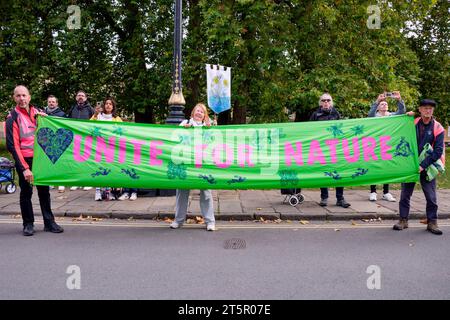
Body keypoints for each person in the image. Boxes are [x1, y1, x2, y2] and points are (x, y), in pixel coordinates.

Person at [5, 85, 64, 236]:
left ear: (29, 97)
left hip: (40, 159)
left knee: (44, 191)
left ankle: (49, 222)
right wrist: (25, 168)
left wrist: (47, 120)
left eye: (24, 95)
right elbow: (13, 146)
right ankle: (28, 223)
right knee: (26, 192)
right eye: (18, 96)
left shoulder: (39, 113)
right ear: (14, 98)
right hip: (25, 160)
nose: (21, 98)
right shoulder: (12, 118)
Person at [394, 99, 445, 235]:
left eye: (430, 108)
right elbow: (399, 129)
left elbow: (438, 151)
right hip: (411, 165)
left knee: (431, 196)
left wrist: (422, 165)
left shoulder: (438, 128)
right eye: (425, 108)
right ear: (420, 109)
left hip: (428, 166)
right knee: (405, 194)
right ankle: (403, 220)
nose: (428, 110)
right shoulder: (413, 122)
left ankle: (432, 222)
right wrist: (406, 117)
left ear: (433, 111)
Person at [170, 103, 216, 231]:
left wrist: (211, 129)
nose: (199, 112)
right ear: (192, 113)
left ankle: (210, 222)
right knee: (182, 192)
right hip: (186, 163)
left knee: (206, 192)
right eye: (197, 110)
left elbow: (215, 142)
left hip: (202, 163)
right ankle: (178, 221)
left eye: (202, 111)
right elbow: (175, 137)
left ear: (204, 115)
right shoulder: (185, 123)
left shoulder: (208, 126)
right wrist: (183, 129)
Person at [310, 93, 351, 208]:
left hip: (335, 148)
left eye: (328, 100)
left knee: (339, 172)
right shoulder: (315, 115)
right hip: (321, 149)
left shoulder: (336, 113)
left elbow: (341, 130)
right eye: (323, 100)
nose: (326, 102)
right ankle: (324, 197)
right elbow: (309, 130)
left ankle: (340, 198)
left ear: (331, 102)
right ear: (320, 102)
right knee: (324, 172)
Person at [367, 91, 406, 202]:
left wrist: (399, 99)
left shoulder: (391, 116)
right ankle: (373, 191)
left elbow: (402, 111)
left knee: (387, 167)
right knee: (374, 167)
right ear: (378, 108)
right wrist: (377, 101)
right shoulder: (375, 117)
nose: (384, 105)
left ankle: (386, 192)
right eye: (382, 104)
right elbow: (370, 114)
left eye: (386, 104)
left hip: (388, 145)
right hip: (375, 145)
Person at [90, 97, 123, 201]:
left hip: (112, 147)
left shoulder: (117, 118)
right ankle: (98, 191)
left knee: (109, 169)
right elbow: (89, 125)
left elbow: (122, 131)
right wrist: (95, 114)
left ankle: (109, 192)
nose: (108, 105)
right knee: (99, 168)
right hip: (99, 146)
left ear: (113, 107)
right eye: (106, 103)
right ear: (104, 105)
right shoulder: (98, 116)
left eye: (110, 104)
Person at [67, 90, 95, 191]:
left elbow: (95, 123)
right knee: (76, 160)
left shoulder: (91, 109)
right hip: (75, 138)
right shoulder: (72, 108)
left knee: (87, 160)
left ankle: (88, 181)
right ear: (76, 98)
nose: (80, 97)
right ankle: (78, 181)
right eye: (79, 95)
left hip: (87, 139)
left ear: (86, 98)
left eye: (82, 96)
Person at [44, 95, 67, 193]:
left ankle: (61, 183)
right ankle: (51, 182)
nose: (51, 103)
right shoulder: (42, 114)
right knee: (49, 162)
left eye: (53, 102)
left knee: (59, 162)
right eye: (49, 102)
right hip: (47, 140)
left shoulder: (62, 114)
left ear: (56, 103)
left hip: (58, 140)